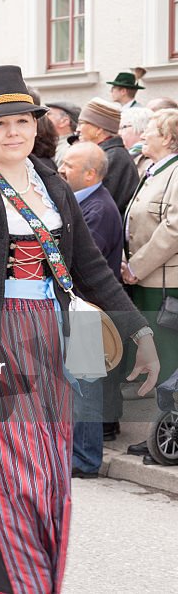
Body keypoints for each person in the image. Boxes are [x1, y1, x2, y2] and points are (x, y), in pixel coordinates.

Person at [0, 46, 159, 594]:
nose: (13, 132)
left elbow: (91, 269)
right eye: (0, 123)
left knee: (46, 477)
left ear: (34, 127)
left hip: (48, 339)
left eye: (22, 120)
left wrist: (138, 331)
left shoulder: (54, 186)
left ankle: (38, 581)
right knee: (6, 475)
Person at [58, 142, 123, 478]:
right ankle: (78, 454)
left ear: (90, 174)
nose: (61, 168)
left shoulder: (96, 210)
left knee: (85, 387)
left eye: (68, 164)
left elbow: (82, 265)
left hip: (87, 309)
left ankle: (83, 459)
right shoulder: (85, 203)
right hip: (81, 306)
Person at [121, 109, 178, 464]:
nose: (146, 135)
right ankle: (160, 431)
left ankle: (166, 431)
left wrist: (137, 267)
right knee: (156, 355)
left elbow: (173, 229)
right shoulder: (153, 169)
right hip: (144, 278)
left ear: (169, 138)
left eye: (153, 130)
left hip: (161, 281)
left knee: (167, 358)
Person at [78, 97, 140, 213]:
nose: (78, 129)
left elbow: (98, 204)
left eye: (82, 123)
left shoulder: (112, 157)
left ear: (98, 130)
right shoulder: (109, 153)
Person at [46, 100, 80, 165]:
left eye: (49, 114)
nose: (44, 118)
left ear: (64, 121)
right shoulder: (52, 144)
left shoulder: (68, 150)